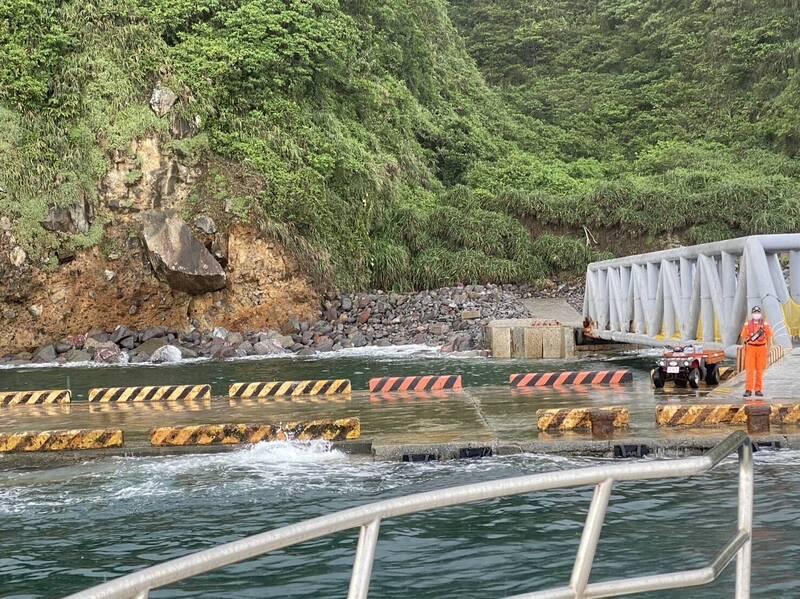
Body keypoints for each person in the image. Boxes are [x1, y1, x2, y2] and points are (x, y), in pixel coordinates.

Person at [740, 306, 773, 398]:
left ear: (760, 313)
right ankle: (748, 390)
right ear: (752, 314)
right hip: (751, 348)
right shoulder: (747, 325)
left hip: (762, 349)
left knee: (760, 370)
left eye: (758, 312)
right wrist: (744, 349)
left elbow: (769, 338)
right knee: (749, 370)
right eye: (755, 312)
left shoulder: (765, 325)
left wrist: (768, 350)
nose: (756, 314)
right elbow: (743, 338)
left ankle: (758, 390)